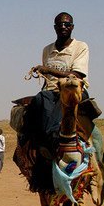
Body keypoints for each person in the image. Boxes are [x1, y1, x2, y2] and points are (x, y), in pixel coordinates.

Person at [24, 12, 89, 152]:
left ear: (72, 27)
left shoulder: (80, 47)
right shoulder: (47, 50)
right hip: (50, 92)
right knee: (36, 102)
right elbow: (47, 79)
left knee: (56, 101)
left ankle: (52, 139)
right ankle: (28, 143)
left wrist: (48, 70)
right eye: (60, 24)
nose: (64, 27)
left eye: (67, 24)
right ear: (55, 27)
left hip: (73, 90)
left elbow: (76, 74)